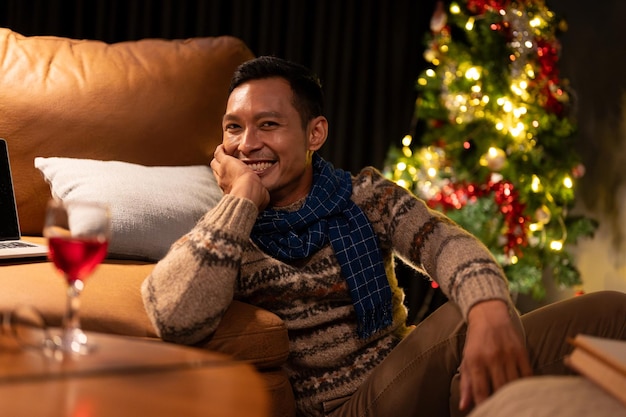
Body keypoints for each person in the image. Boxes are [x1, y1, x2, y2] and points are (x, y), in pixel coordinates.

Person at [141, 56, 626, 417]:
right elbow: (174, 317)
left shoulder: (365, 197)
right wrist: (243, 195)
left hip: (409, 373)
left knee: (610, 311)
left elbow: (445, 244)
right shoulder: (226, 225)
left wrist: (490, 307)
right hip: (346, 410)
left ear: (315, 134)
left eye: (268, 125)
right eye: (235, 128)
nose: (247, 144)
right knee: (462, 316)